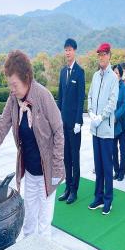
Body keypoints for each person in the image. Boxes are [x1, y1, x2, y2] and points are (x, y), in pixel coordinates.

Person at [0, 50, 64, 237]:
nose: (12, 89)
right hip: (30, 173)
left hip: (48, 173)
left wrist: (56, 169)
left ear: (26, 78)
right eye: (10, 85)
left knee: (44, 226)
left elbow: (58, 131)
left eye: (14, 84)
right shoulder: (13, 99)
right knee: (29, 224)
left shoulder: (43, 96)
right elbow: (1, 128)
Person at [87, 43, 119, 215]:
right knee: (98, 165)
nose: (101, 57)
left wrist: (102, 116)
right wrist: (91, 112)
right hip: (95, 129)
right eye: (99, 54)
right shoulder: (95, 76)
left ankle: (108, 199)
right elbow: (90, 95)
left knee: (107, 167)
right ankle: (98, 197)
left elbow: (112, 102)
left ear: (109, 56)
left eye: (104, 54)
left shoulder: (113, 77)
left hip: (106, 129)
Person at [57, 39, 85, 205]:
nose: (67, 52)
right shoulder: (62, 72)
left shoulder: (79, 72)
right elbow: (60, 98)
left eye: (70, 49)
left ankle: (75, 190)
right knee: (65, 157)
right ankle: (67, 187)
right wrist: (58, 119)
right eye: (65, 49)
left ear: (75, 51)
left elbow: (81, 98)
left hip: (75, 125)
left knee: (75, 157)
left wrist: (78, 122)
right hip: (63, 122)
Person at [112, 64, 125, 181]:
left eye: (117, 73)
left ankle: (122, 172)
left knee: (122, 149)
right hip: (112, 124)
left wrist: (115, 116)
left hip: (121, 123)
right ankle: (116, 170)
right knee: (113, 149)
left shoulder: (124, 88)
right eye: (114, 73)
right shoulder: (110, 87)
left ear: (120, 75)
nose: (115, 75)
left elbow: (124, 106)